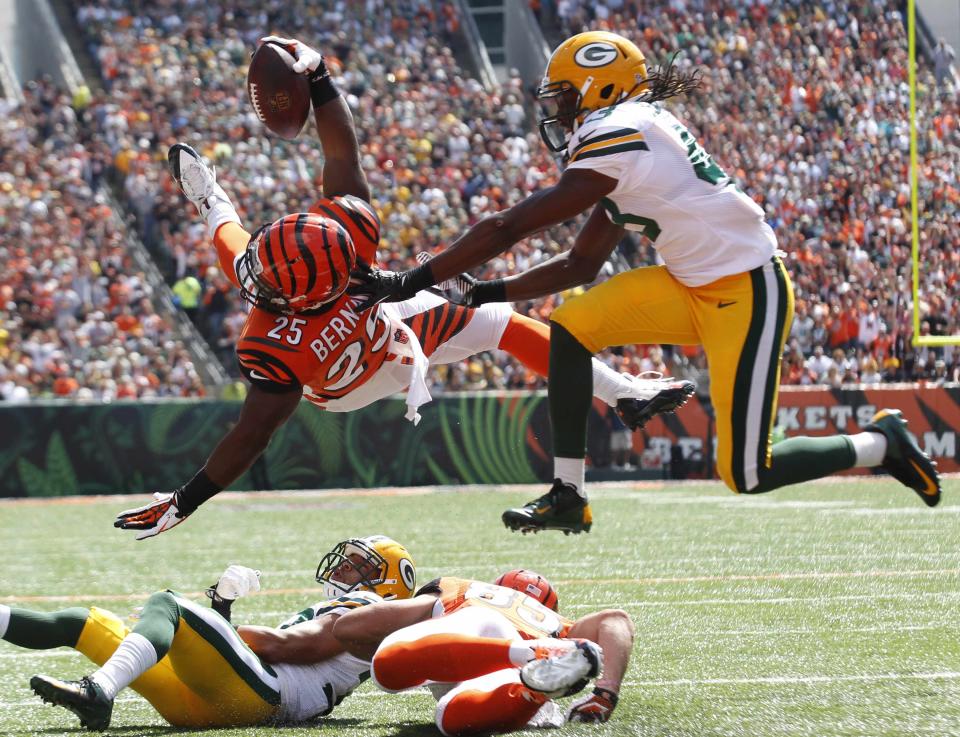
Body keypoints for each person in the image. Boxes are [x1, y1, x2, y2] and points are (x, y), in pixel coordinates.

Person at [350, 30, 942, 534]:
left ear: (600, 89)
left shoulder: (622, 130)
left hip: (747, 290)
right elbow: (580, 266)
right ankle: (568, 495)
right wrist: (481, 292)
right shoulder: (634, 136)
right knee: (572, 328)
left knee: (746, 472)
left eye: (564, 96)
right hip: (689, 282)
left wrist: (412, 279)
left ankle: (881, 442)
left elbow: (508, 226)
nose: (557, 110)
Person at [114, 35, 693, 541]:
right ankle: (619, 392)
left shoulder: (272, 324)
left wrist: (182, 502)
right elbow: (339, 155)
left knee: (491, 324)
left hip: (356, 350)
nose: (255, 275)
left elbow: (252, 431)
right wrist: (317, 79)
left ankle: (622, 394)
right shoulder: (346, 247)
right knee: (491, 323)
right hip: (351, 373)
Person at [0, 535, 415, 731]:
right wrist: (220, 609)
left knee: (168, 604)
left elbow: (292, 647)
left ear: (388, 585)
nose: (343, 567)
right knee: (84, 623)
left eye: (360, 565)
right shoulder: (349, 607)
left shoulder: (371, 611)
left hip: (265, 698)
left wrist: (210, 617)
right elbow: (237, 656)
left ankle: (97, 693)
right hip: (212, 702)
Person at [331, 568, 634, 734]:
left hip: (476, 625)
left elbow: (350, 628)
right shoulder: (561, 626)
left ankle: (526, 653)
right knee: (450, 716)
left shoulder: (465, 588)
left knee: (387, 668)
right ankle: (534, 690)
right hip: (521, 671)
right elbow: (615, 620)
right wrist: (604, 694)